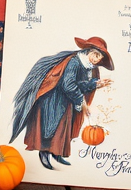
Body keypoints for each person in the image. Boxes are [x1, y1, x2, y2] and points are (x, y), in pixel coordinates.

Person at [10, 35, 114, 169]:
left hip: (66, 99)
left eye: (99, 57)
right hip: (53, 99)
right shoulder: (75, 62)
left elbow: (79, 84)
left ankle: (57, 154)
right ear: (89, 51)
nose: (96, 59)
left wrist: (95, 83)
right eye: (95, 54)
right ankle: (45, 154)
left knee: (64, 128)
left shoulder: (88, 67)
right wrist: (80, 100)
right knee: (51, 127)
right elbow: (68, 85)